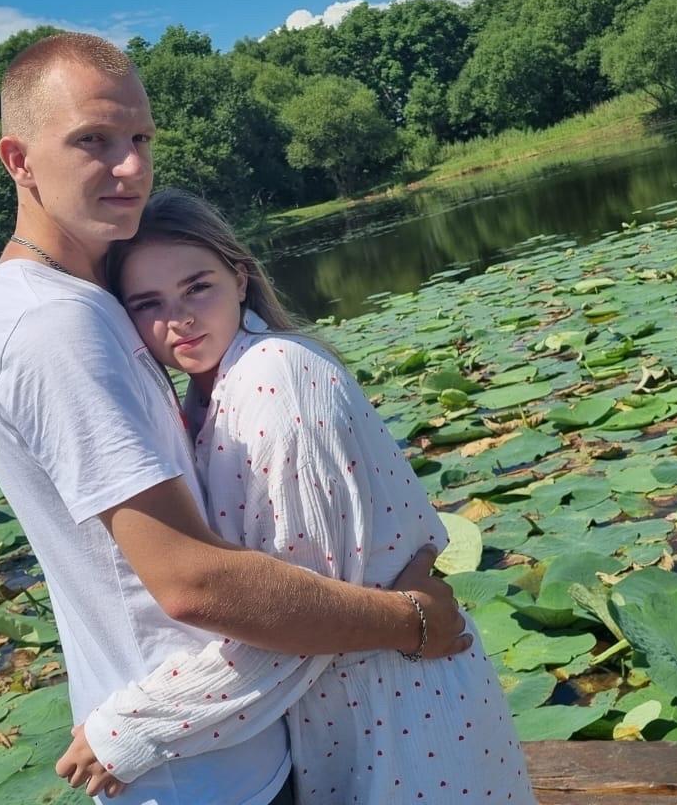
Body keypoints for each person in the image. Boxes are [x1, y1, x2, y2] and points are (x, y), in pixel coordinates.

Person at [0, 32, 474, 805]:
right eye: (93, 141)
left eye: (140, 138)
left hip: (223, 744)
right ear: (19, 160)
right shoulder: (53, 328)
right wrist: (410, 621)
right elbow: (192, 583)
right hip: (198, 771)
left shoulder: (79, 306)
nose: (131, 168)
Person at [53, 188, 536, 803]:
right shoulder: (209, 392)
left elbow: (301, 615)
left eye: (197, 287)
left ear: (240, 278)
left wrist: (132, 729)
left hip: (401, 715)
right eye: (148, 303)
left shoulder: (275, 381)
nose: (179, 320)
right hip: (348, 708)